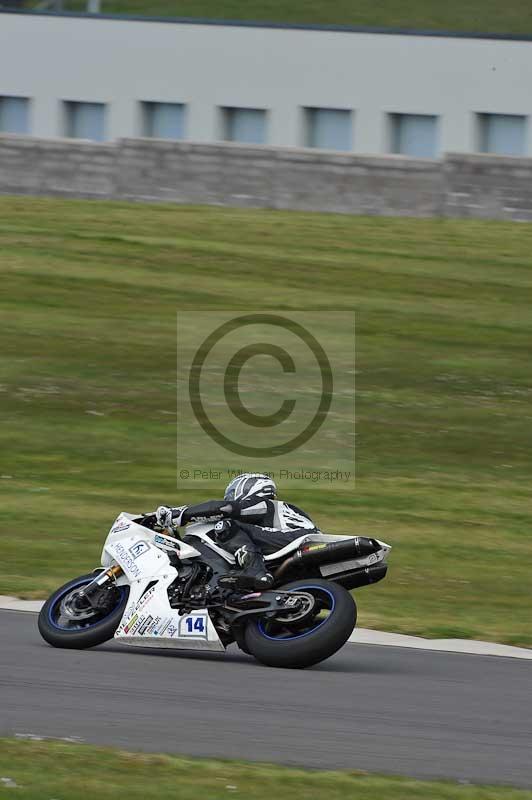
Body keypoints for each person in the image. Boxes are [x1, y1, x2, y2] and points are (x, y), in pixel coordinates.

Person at [154, 473, 318, 591]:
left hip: (298, 539)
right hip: (296, 545)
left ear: (248, 487)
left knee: (225, 524)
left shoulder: (263, 504)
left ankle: (255, 570)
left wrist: (180, 515)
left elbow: (226, 509)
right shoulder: (276, 513)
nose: (230, 498)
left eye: (232, 493)